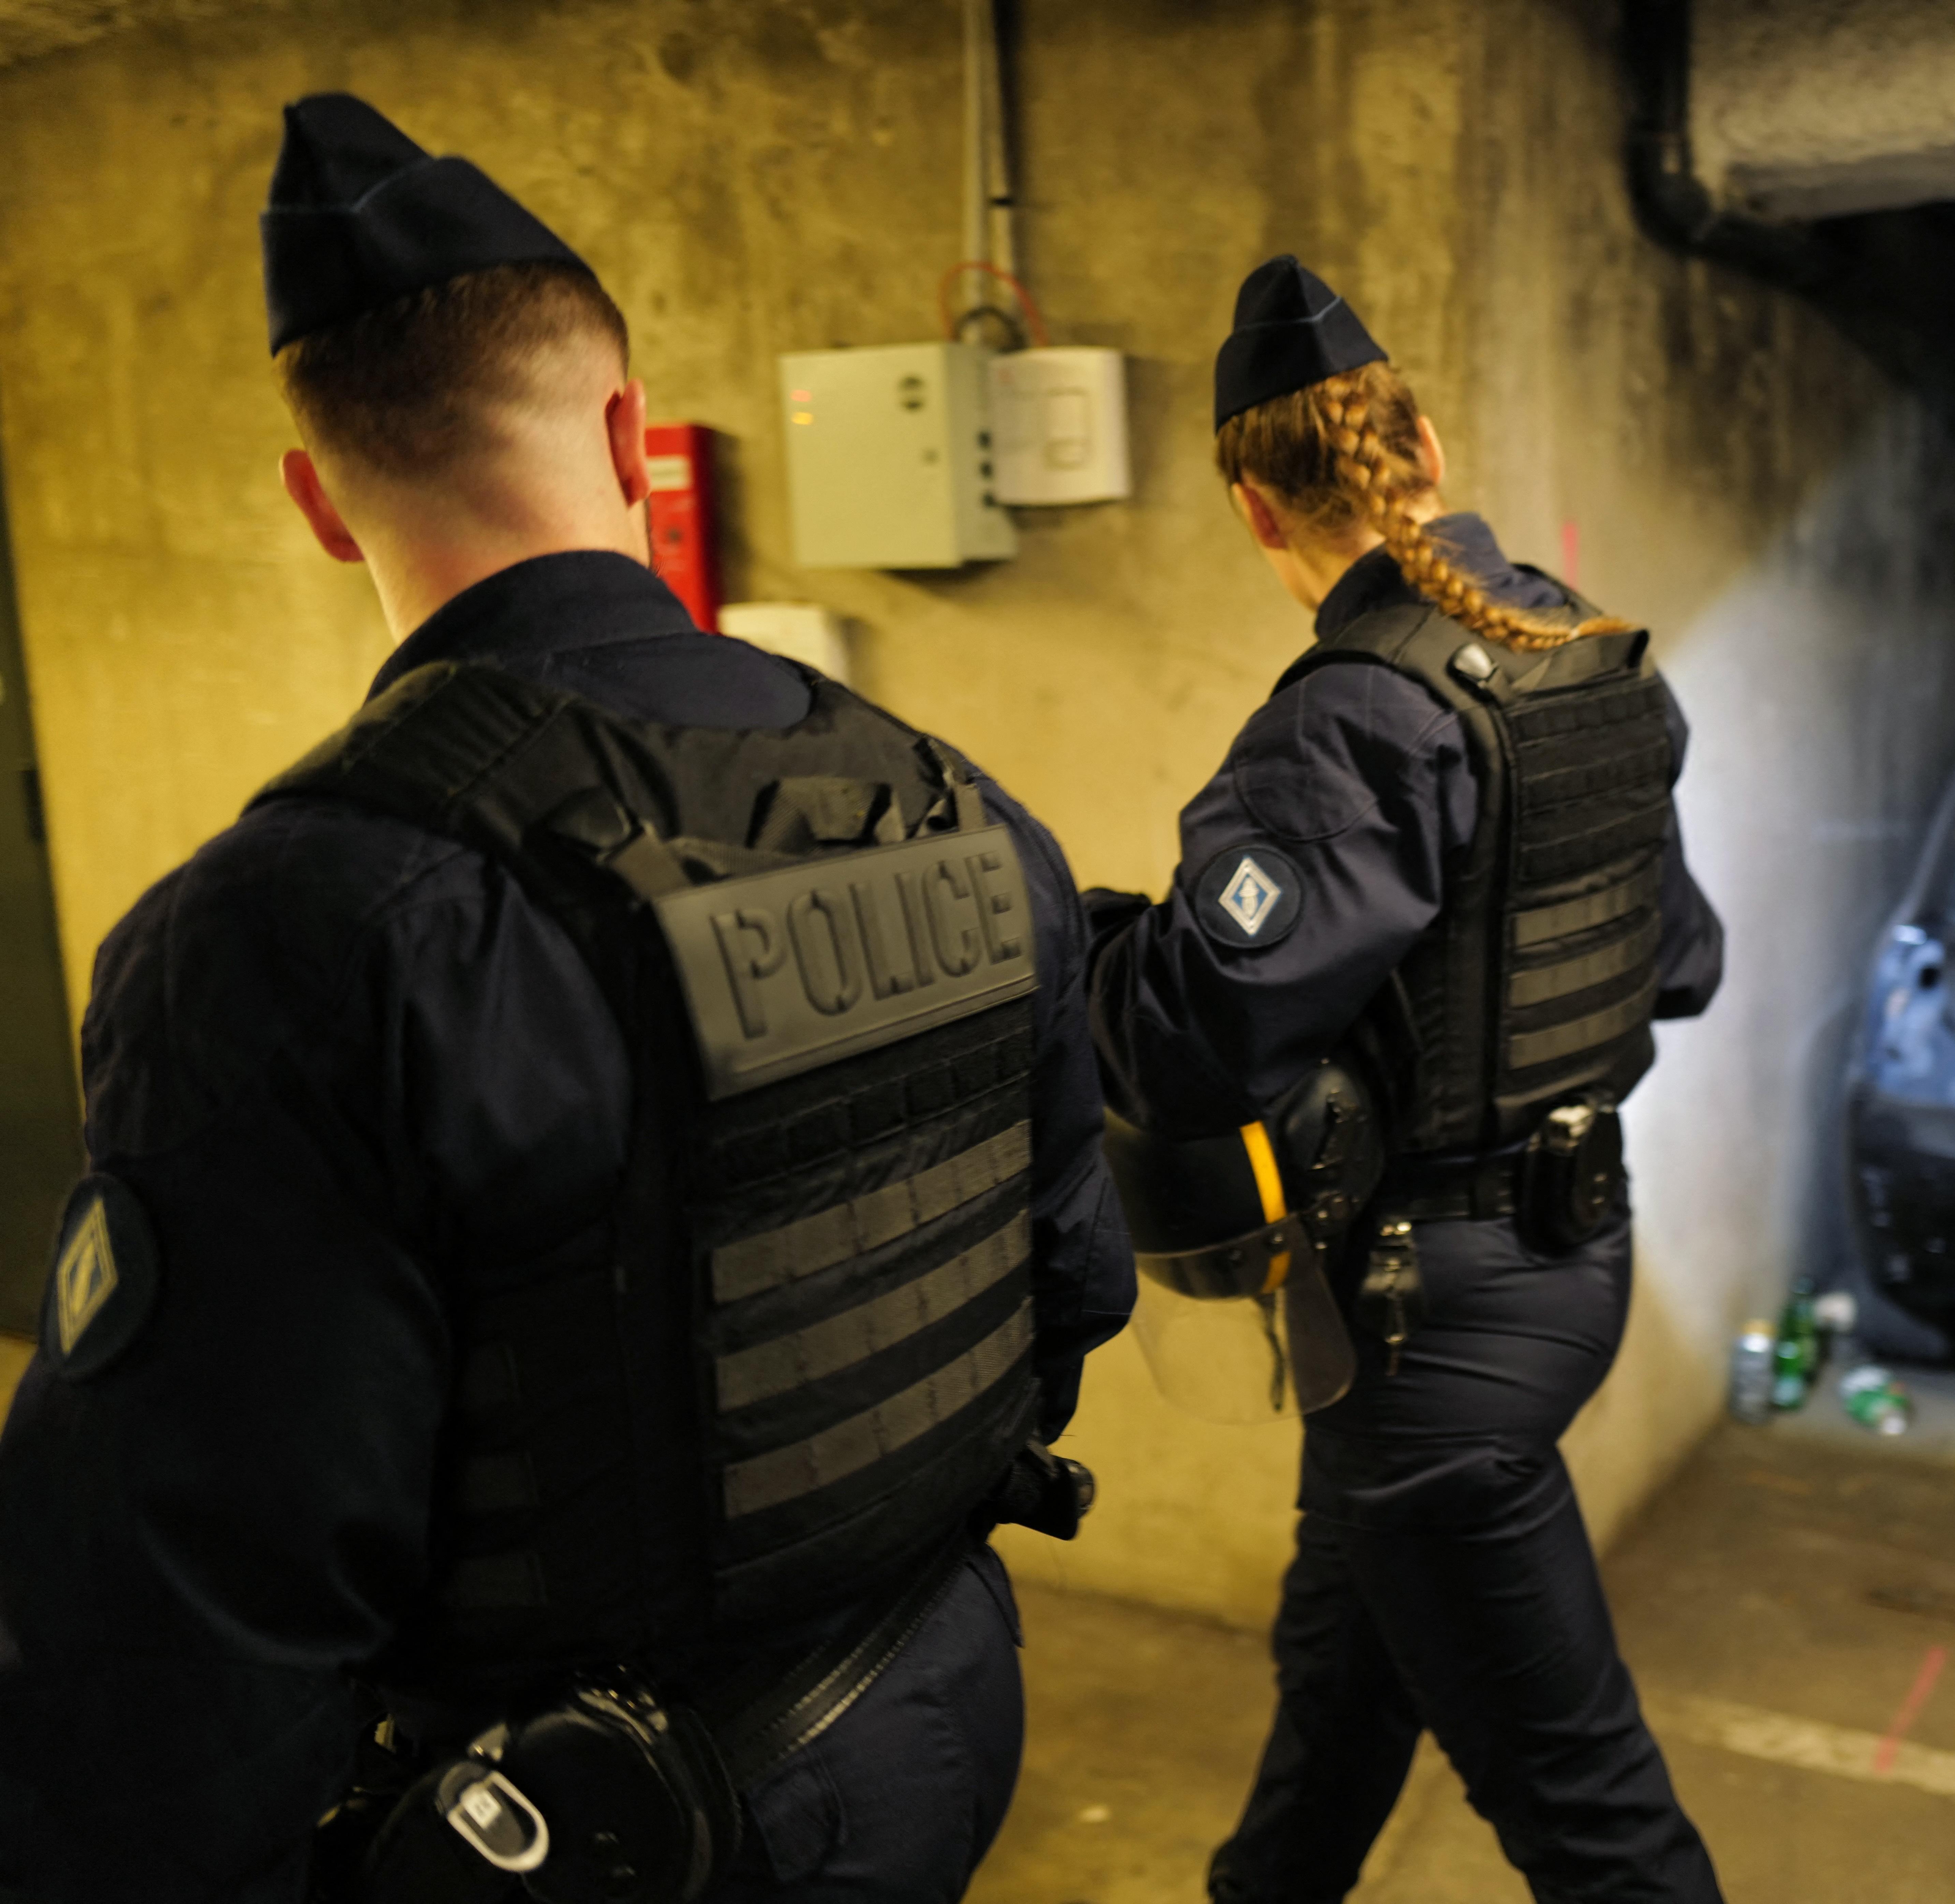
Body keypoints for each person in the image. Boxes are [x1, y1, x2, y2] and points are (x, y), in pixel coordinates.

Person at [0, 95, 1132, 1903]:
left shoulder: (297, 924)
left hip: (589, 1836)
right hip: (938, 1698)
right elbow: (1074, 1290)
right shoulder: (959, 804)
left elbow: (182, 1625)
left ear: (314, 497)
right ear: (622, 425)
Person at [1089, 257, 1728, 1904]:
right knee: (1344, 1693)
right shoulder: (1592, 660)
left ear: (1252, 506)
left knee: (1591, 1815)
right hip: (1566, 1267)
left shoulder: (1364, 714)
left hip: (1430, 1325)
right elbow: (1680, 964)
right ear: (1423, 449)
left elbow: (1186, 1041)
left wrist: (1088, 942)